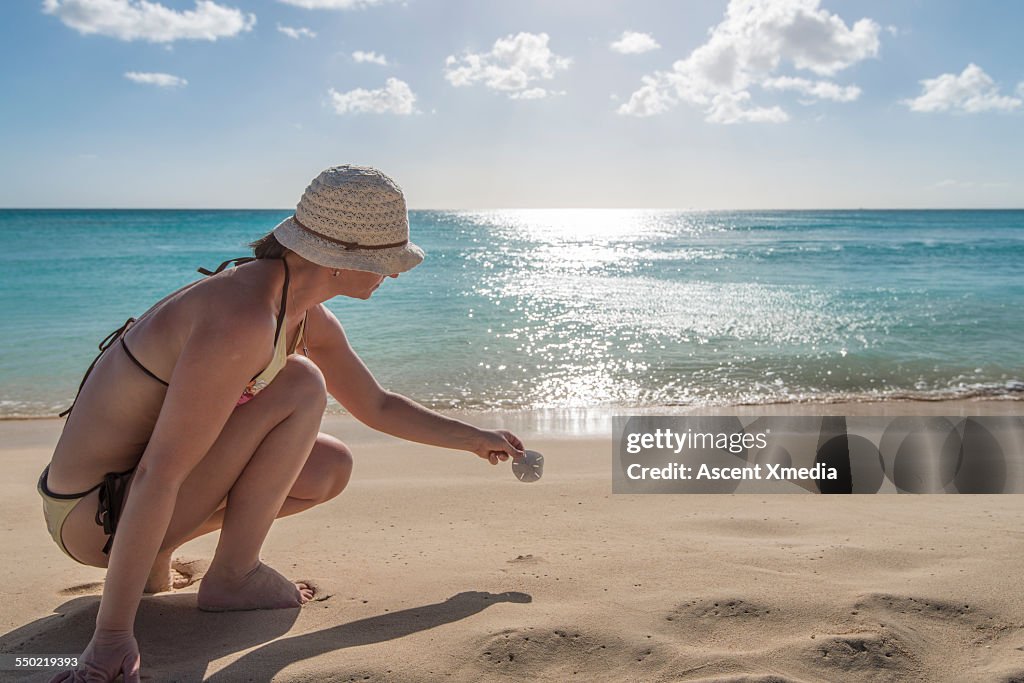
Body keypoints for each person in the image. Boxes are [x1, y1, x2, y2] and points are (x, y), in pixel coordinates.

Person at [43, 165, 526, 682]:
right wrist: (111, 638)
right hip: (93, 518)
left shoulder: (296, 311)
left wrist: (476, 439)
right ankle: (232, 577)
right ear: (337, 258)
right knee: (299, 383)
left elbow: (378, 405)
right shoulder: (242, 317)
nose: (396, 273)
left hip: (118, 505)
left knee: (327, 465)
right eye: (386, 259)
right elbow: (157, 474)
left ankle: (164, 554)